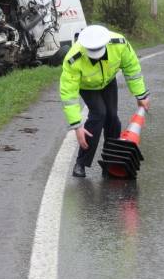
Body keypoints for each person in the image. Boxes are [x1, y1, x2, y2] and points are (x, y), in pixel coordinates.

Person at [60, 25, 150, 177]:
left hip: (108, 82)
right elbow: (68, 95)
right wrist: (77, 126)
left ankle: (111, 162)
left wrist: (140, 95)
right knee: (99, 114)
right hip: (87, 86)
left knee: (112, 118)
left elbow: (132, 68)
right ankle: (81, 163)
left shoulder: (119, 44)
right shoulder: (73, 59)